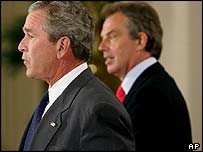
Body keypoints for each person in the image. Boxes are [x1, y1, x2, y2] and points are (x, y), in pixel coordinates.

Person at [17, 1, 135, 151]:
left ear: (62, 46)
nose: (21, 45)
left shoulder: (98, 110)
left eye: (30, 35)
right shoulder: (51, 100)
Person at [99, 1, 192, 151]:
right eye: (103, 38)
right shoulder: (147, 86)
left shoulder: (151, 95)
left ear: (140, 41)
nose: (101, 46)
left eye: (112, 36)